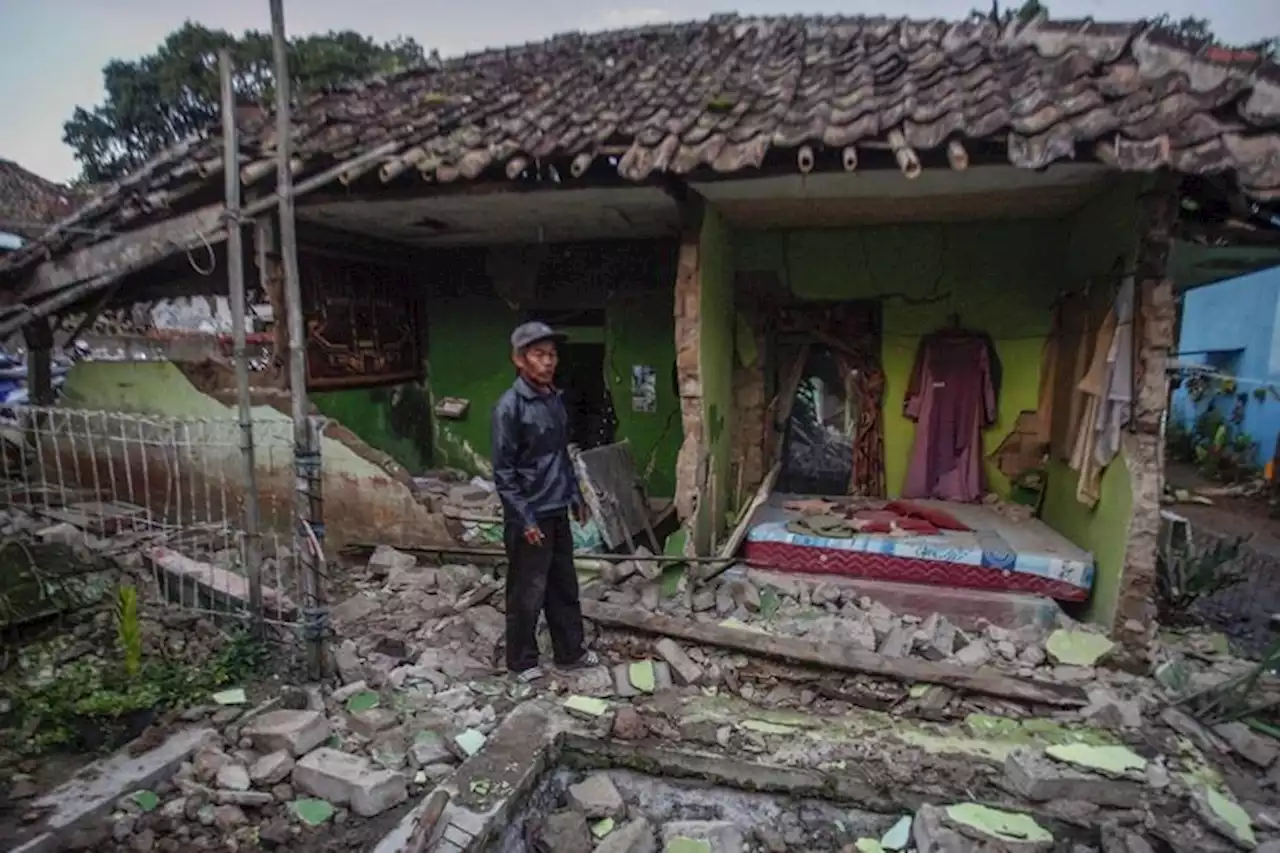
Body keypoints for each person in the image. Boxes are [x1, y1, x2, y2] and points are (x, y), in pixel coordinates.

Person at [492, 321, 599, 682]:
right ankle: (522, 662)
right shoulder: (510, 408)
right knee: (527, 591)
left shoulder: (554, 399)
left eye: (552, 354)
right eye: (539, 355)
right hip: (531, 514)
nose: (548, 361)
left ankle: (570, 652)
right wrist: (525, 519)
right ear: (519, 360)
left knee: (563, 585)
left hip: (556, 508)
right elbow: (504, 473)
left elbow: (561, 455)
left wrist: (575, 496)